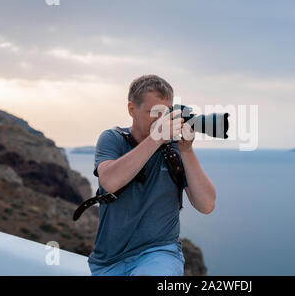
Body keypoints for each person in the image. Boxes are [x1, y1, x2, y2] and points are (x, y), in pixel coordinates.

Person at [88, 74, 216, 276]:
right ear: (132, 109)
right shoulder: (113, 139)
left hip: (159, 253)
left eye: (165, 113)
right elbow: (110, 182)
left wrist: (187, 151)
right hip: (108, 261)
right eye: (153, 112)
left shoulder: (174, 148)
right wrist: (155, 140)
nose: (161, 120)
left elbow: (206, 205)